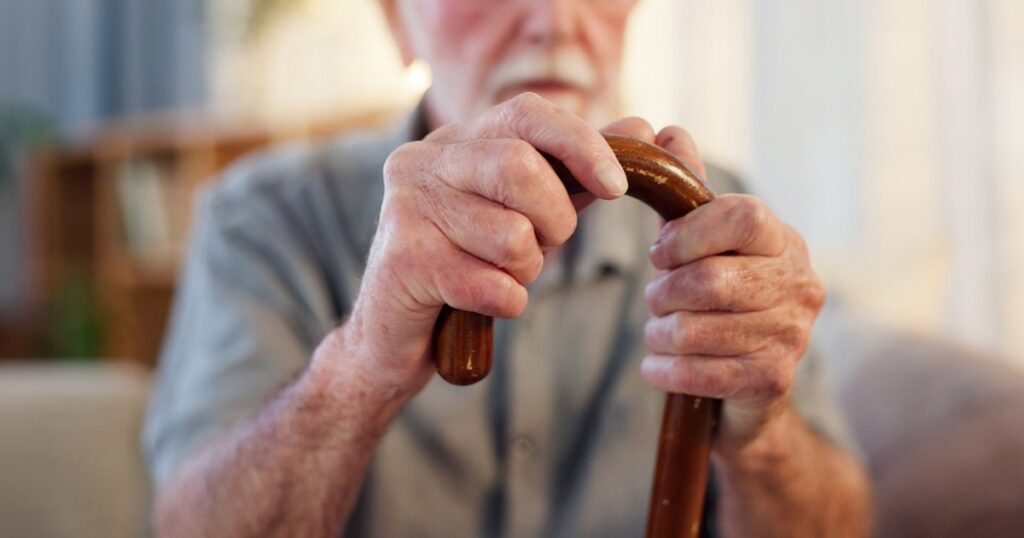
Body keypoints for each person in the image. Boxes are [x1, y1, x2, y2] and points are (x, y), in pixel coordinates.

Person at [144, 0, 871, 536]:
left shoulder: (719, 219)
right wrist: (363, 361)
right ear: (399, 23)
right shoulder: (262, 218)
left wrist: (764, 439)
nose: (554, 19)